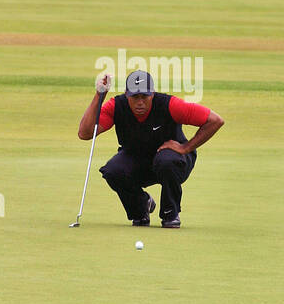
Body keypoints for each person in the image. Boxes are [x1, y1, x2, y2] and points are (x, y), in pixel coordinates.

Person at [77, 69, 224, 228]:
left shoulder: (170, 105)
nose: (140, 102)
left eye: (144, 96)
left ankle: (170, 213)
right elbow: (85, 133)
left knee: (166, 161)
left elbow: (215, 120)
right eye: (135, 97)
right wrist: (100, 95)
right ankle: (141, 207)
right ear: (127, 95)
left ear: (152, 94)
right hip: (138, 161)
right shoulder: (116, 106)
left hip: (173, 162)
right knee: (113, 171)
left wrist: (185, 147)